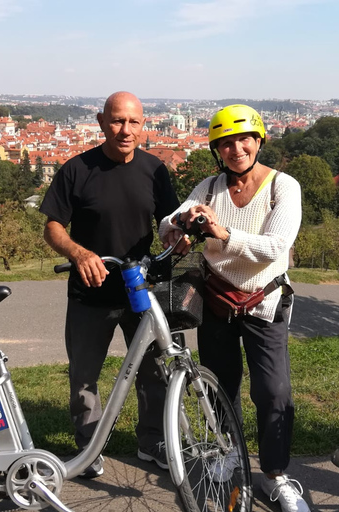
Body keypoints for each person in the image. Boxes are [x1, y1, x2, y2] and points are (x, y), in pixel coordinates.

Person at [159, 105, 308, 512]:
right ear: (216, 151)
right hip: (217, 301)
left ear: (259, 141)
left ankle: (275, 475)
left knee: (274, 393)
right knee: (220, 386)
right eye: (225, 144)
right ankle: (228, 451)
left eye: (244, 140)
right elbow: (167, 224)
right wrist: (180, 223)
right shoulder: (208, 188)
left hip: (264, 301)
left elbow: (274, 248)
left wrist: (221, 233)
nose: (236, 149)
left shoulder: (283, 187)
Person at [39, 91, 179, 478]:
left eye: (133, 122)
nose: (125, 129)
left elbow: (169, 221)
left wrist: (175, 236)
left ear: (144, 124)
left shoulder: (155, 170)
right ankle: (89, 447)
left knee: (153, 371)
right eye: (117, 120)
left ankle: (151, 442)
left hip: (141, 289)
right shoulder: (77, 169)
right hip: (90, 289)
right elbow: (53, 225)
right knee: (84, 374)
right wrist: (78, 254)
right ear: (101, 121)